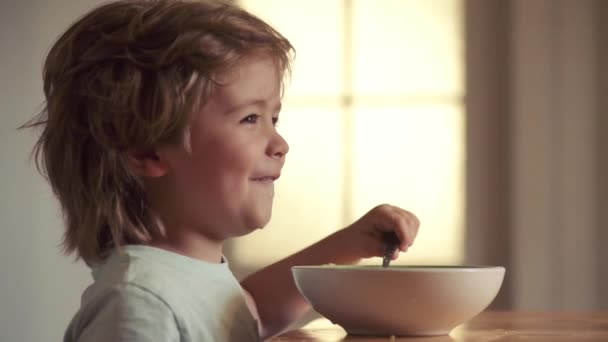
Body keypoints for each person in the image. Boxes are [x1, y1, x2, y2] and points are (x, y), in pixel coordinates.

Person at [24, 0, 420, 341]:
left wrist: (347, 244)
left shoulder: (189, 278)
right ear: (148, 151)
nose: (280, 144)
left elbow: (253, 311)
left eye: (274, 119)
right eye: (250, 118)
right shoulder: (139, 302)